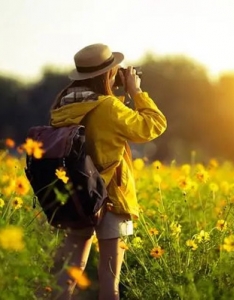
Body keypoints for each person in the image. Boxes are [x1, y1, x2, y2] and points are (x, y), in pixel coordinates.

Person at [49, 43, 167, 300]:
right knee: (109, 279)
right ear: (108, 74)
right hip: (111, 197)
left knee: (69, 273)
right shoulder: (109, 108)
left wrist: (114, 91)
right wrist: (136, 92)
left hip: (77, 196)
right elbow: (152, 126)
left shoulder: (62, 106)